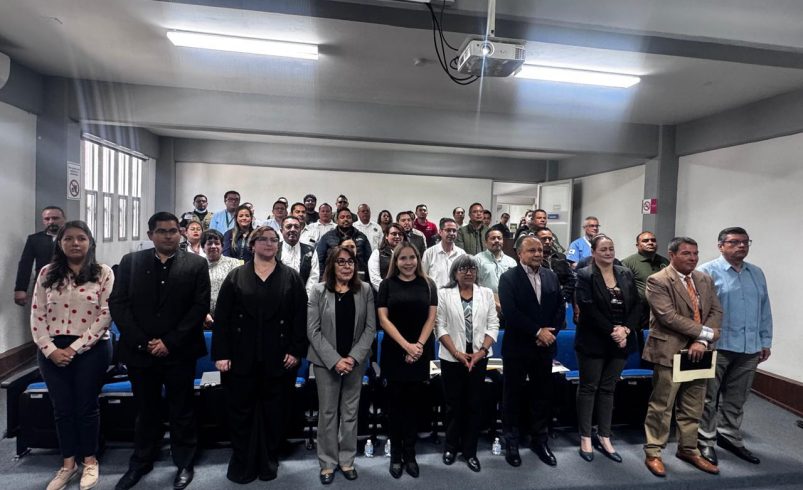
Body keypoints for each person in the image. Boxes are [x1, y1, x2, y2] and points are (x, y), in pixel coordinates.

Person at [109, 212, 210, 490]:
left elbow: (199, 306)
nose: (168, 236)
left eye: (173, 231)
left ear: (180, 233)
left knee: (182, 409)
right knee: (146, 409)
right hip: (140, 351)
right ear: (150, 234)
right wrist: (144, 342)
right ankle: (141, 461)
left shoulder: (196, 264)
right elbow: (118, 304)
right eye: (162, 231)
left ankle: (184, 462)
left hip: (180, 351)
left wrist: (170, 342)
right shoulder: (131, 262)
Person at [212, 226, 308, 483]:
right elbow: (222, 318)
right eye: (263, 239)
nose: (269, 243)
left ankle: (268, 458)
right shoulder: (235, 276)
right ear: (252, 245)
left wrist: (295, 350)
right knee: (240, 410)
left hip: (279, 356)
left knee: (274, 410)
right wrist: (221, 354)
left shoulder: (291, 277)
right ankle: (243, 459)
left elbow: (300, 317)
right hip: (240, 355)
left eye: (273, 240)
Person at [31, 221, 113, 490]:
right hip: (52, 349)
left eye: (81, 238)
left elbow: (106, 314)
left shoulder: (103, 273)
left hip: (92, 348)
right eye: (68, 238)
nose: (75, 243)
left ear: (90, 242)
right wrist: (50, 349)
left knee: (86, 406)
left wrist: (75, 348)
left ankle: (89, 460)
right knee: (62, 408)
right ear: (60, 243)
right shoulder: (47, 273)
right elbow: (37, 314)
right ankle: (68, 464)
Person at [642, 237, 722, 478]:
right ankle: (653, 452)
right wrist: (706, 333)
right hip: (670, 350)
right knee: (662, 405)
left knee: (694, 404)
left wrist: (702, 341)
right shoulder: (658, 280)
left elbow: (715, 310)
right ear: (672, 255)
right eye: (687, 253)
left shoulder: (704, 279)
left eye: (695, 253)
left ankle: (688, 449)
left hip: (700, 352)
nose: (693, 258)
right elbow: (668, 317)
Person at [697, 227, 772, 466]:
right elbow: (699, 312)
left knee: (738, 397)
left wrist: (765, 340)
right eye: (734, 242)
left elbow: (764, 309)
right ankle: (705, 439)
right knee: (708, 397)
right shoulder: (707, 272)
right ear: (721, 246)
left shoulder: (756, 273)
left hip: (749, 347)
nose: (741, 246)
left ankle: (729, 434)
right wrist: (701, 340)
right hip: (717, 346)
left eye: (745, 242)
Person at [307, 246, 376, 484]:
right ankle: (327, 463)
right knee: (327, 413)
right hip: (326, 363)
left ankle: (347, 460)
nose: (347, 266)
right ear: (332, 265)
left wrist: (353, 358)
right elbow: (313, 330)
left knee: (350, 412)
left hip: (355, 361)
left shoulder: (365, 290)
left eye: (350, 262)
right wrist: (336, 360)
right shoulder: (318, 291)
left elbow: (370, 328)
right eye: (341, 262)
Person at [498, 236, 565, 468]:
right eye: (532, 250)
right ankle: (511, 441)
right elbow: (511, 312)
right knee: (512, 396)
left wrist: (549, 334)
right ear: (520, 254)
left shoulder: (551, 276)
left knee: (541, 395)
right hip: (518, 347)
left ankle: (540, 440)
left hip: (545, 347)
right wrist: (538, 332)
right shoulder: (508, 278)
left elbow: (560, 308)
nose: (538, 254)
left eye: (540, 250)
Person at [574, 235, 640, 463]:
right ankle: (585, 436)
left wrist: (626, 330)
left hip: (622, 341)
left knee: (608, 389)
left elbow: (636, 305)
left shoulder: (625, 273)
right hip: (593, 340)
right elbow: (588, 308)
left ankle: (604, 435)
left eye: (611, 248)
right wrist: (614, 331)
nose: (608, 252)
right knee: (589, 388)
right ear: (593, 252)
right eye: (603, 249)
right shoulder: (584, 275)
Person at [377, 243, 437, 479]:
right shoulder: (387, 285)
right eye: (403, 258)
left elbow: (431, 318)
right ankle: (395, 455)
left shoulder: (428, 284)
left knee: (413, 406)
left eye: (412, 257)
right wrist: (407, 346)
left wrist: (418, 346)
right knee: (394, 407)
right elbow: (383, 319)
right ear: (396, 261)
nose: (409, 262)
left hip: (420, 352)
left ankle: (410, 454)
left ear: (418, 259)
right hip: (394, 351)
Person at [436, 255, 499, 473]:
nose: (469, 272)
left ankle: (470, 451)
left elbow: (493, 324)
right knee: (453, 405)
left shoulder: (486, 293)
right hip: (452, 357)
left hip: (479, 357)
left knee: (474, 404)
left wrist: (481, 352)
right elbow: (440, 326)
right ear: (455, 273)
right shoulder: (444, 294)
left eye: (472, 268)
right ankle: (451, 447)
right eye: (463, 268)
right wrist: (456, 353)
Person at [14, 206, 66, 306]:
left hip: (69, 284)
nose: (51, 221)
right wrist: (20, 289)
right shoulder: (34, 239)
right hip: (42, 284)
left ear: (64, 219)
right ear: (43, 221)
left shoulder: (74, 238)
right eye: (47, 219)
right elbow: (25, 264)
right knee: (40, 313)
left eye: (55, 218)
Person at [621, 231, 670, 328]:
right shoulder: (627, 263)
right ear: (637, 245)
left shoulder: (665, 261)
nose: (650, 243)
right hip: (640, 313)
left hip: (663, 311)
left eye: (653, 240)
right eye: (645, 241)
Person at [201, 229, 242, 329]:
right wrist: (204, 314)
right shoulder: (198, 265)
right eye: (209, 243)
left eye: (217, 243)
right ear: (203, 247)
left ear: (222, 246)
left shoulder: (235, 264)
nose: (213, 246)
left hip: (230, 319)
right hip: (203, 319)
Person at [316, 208, 372, 276]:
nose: (345, 219)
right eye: (342, 217)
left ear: (352, 220)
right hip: (333, 276)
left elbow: (370, 260)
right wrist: (322, 277)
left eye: (348, 217)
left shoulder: (362, 237)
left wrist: (367, 278)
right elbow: (319, 260)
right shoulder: (327, 237)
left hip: (358, 275)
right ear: (337, 221)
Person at [475, 229, 517, 318]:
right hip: (484, 305)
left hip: (507, 306)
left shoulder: (511, 262)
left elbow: (516, 286)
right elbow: (474, 286)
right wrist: (494, 303)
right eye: (493, 238)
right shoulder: (477, 260)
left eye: (499, 238)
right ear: (486, 242)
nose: (497, 240)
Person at [278, 215, 320, 296]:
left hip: (302, 297)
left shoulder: (310, 251)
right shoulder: (274, 249)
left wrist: (305, 297)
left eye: (296, 227)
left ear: (300, 230)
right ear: (281, 230)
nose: (293, 229)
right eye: (289, 226)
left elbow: (313, 277)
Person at [535, 227, 575, 304]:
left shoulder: (561, 258)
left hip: (560, 301)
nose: (547, 241)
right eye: (544, 239)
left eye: (550, 239)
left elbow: (570, 280)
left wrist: (563, 297)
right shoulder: (532, 259)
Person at [422, 218, 465, 288]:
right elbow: (423, 276)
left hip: (456, 293)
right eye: (448, 230)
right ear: (440, 232)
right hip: (436, 293)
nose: (452, 233)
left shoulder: (461, 253)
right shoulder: (429, 253)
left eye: (454, 231)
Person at [368, 223, 404, 293]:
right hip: (385, 293)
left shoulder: (408, 254)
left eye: (400, 234)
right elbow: (375, 279)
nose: (397, 236)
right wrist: (390, 292)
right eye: (394, 234)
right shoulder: (377, 253)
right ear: (386, 236)